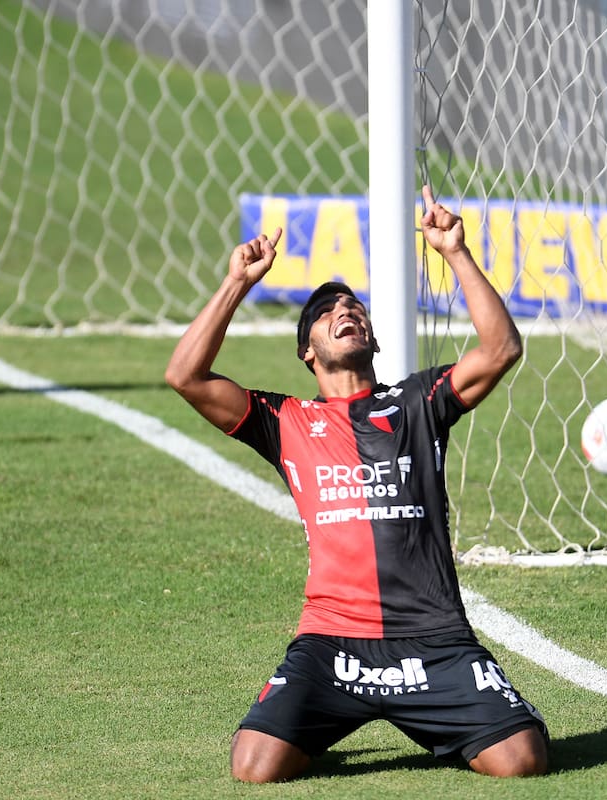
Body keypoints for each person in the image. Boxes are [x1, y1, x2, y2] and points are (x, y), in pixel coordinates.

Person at [165, 185, 548, 782]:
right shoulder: (285, 420)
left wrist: (455, 253)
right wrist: (237, 282)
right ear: (306, 352)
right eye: (326, 311)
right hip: (331, 641)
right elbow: (185, 375)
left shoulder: (417, 402)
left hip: (433, 637)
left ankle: (464, 715)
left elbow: (501, 348)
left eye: (355, 308)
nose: (346, 311)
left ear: (371, 337)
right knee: (254, 767)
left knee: (521, 761)